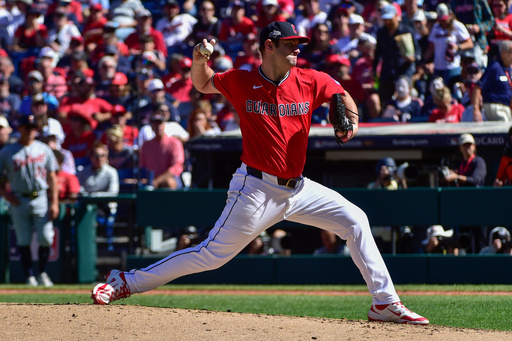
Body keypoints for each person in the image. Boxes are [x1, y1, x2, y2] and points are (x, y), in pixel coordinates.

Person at [91, 21, 429, 326]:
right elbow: (204, 84)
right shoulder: (242, 81)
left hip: (299, 189)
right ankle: (124, 280)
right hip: (255, 188)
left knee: (356, 220)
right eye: (290, 44)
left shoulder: (312, 79)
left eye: (299, 43)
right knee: (210, 255)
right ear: (269, 46)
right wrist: (198, 62)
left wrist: (350, 125)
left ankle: (384, 302)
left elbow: (343, 97)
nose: (298, 48)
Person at [0, 114, 59, 286]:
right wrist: (6, 194)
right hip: (18, 198)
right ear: (20, 129)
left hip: (40, 196)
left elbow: (52, 176)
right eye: (27, 128)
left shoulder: (43, 148)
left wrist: (54, 202)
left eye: (33, 128)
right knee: (23, 239)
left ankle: (42, 273)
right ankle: (30, 276)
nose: (31, 131)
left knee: (46, 237)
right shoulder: (8, 151)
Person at [139, 113, 185, 189]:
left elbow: (176, 166)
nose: (158, 127)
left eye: (160, 124)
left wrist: (157, 181)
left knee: (168, 182)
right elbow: (143, 166)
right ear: (151, 127)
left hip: (171, 178)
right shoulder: (146, 145)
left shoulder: (174, 143)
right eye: (155, 124)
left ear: (164, 126)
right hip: (151, 180)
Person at [471, 40, 512, 122]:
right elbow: (478, 87)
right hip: (495, 107)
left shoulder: (507, 69)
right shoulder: (494, 67)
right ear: (503, 53)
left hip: (506, 107)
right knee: (503, 130)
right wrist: (476, 109)